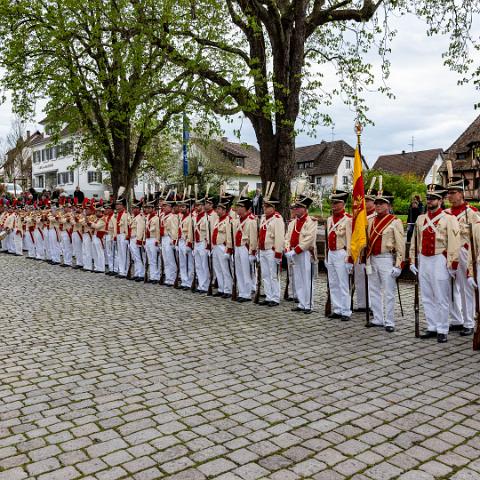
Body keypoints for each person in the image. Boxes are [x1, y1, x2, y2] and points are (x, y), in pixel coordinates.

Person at [409, 183, 460, 343]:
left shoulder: (449, 218)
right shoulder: (420, 219)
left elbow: (454, 242)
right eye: (428, 198)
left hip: (440, 258)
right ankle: (432, 326)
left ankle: (443, 328)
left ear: (440, 200)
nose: (429, 201)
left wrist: (452, 263)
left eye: (433, 198)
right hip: (424, 259)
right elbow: (414, 241)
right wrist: (412, 259)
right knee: (427, 295)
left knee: (441, 296)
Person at [445, 177, 480, 336]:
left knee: (466, 289)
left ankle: (469, 322)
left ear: (461, 194)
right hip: (446, 254)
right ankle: (456, 319)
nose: (449, 196)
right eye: (448, 193)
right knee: (450, 289)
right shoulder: (445, 214)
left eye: (453, 193)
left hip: (464, 252)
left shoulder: (472, 213)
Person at [365, 191, 405, 332]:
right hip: (372, 258)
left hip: (386, 258)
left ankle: (389, 321)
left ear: (388, 205)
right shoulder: (370, 220)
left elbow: (400, 245)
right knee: (374, 290)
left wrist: (399, 264)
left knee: (388, 291)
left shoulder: (395, 221)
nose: (378, 206)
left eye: (381, 203)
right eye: (376, 203)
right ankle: (377, 318)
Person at [285, 193, 317, 314]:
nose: (295, 209)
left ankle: (308, 304)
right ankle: (301, 302)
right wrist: (288, 249)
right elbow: (287, 237)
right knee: (297, 278)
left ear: (304, 208)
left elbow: (308, 239)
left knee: (306, 278)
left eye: (298, 207)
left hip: (305, 253)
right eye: (295, 207)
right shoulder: (293, 222)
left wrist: (296, 250)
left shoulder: (311, 221)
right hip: (293, 253)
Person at [324, 188, 352, 320]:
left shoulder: (348, 219)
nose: (333, 205)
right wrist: (326, 255)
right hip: (331, 253)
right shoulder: (330, 219)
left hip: (342, 253)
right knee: (333, 282)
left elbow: (350, 240)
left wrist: (349, 258)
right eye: (332, 203)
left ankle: (346, 310)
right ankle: (337, 308)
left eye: (336, 203)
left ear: (343, 203)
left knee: (343, 283)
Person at [228, 194, 258, 302]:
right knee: (239, 271)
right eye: (238, 206)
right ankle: (241, 291)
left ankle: (247, 293)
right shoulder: (237, 220)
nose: (239, 208)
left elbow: (254, 238)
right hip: (237, 247)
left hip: (246, 248)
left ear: (247, 208)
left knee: (246, 272)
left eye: (241, 207)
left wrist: (252, 252)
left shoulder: (251, 220)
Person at [258, 193, 285, 307]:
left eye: (267, 206)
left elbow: (279, 237)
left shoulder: (277, 219)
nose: (264, 208)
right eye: (264, 206)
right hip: (263, 249)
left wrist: (278, 253)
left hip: (272, 250)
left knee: (273, 275)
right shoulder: (263, 218)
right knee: (265, 274)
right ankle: (268, 296)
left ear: (273, 207)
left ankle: (275, 297)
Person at [353, 185, 377, 312]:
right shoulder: (359, 216)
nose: (365, 203)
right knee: (359, 278)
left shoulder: (375, 217)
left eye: (368, 201)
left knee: (372, 280)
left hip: (370, 252)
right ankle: (362, 304)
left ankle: (373, 305)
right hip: (359, 251)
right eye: (364, 200)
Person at [211, 196, 233, 298]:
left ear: (224, 210)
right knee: (218, 268)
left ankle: (228, 290)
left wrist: (228, 250)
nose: (217, 210)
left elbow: (229, 236)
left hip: (223, 247)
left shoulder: (228, 220)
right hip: (216, 246)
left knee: (225, 269)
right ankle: (221, 288)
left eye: (219, 209)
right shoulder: (217, 220)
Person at [128, 200, 145, 282]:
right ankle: (137, 273)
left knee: (138, 257)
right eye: (133, 208)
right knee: (134, 257)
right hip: (131, 238)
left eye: (135, 208)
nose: (133, 209)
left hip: (136, 238)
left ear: (138, 209)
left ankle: (141, 274)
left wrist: (139, 240)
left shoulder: (140, 218)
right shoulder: (133, 217)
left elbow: (140, 230)